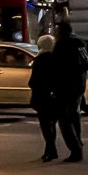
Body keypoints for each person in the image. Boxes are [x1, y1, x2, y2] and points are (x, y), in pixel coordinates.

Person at [49, 21, 88, 162]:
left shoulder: (62, 44)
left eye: (56, 30)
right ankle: (78, 144)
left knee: (64, 120)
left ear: (61, 31)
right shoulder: (79, 43)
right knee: (74, 117)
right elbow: (85, 65)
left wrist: (54, 87)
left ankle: (75, 149)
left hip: (65, 88)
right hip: (78, 86)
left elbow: (57, 68)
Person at [30, 34, 64, 162]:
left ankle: (51, 149)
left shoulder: (40, 60)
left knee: (45, 125)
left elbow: (34, 80)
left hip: (42, 96)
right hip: (55, 96)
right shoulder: (57, 59)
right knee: (52, 124)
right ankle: (50, 150)